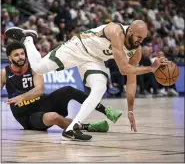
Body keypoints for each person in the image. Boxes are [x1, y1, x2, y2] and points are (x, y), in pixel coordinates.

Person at [5, 20, 168, 141]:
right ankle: (27, 38)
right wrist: (151, 69)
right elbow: (123, 69)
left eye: (143, 38)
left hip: (94, 60)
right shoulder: (115, 31)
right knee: (39, 68)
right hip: (78, 47)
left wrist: (130, 110)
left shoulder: (136, 51)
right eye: (139, 36)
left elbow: (131, 80)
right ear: (130, 31)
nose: (140, 41)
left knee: (100, 87)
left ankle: (72, 128)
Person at [1, 41, 123, 139]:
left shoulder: (33, 68)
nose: (21, 57)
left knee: (68, 90)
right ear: (9, 58)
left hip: (41, 104)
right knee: (53, 117)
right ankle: (87, 127)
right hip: (27, 116)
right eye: (16, 55)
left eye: (22, 54)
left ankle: (107, 111)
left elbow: (39, 91)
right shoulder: (4, 73)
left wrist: (21, 97)